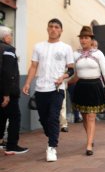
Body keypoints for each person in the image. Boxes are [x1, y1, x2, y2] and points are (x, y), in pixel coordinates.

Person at [22, 18, 74, 162]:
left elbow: (71, 70)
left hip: (57, 89)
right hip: (40, 89)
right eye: (51, 26)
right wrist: (27, 83)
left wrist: (63, 77)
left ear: (61, 30)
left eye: (57, 27)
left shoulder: (66, 48)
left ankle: (52, 147)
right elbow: (33, 66)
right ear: (47, 29)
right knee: (44, 119)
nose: (53, 29)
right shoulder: (38, 46)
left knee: (53, 117)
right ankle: (51, 134)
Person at [71, 26, 105, 156]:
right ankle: (90, 137)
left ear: (91, 39)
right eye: (82, 38)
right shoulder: (75, 54)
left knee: (91, 117)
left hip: (95, 86)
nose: (83, 40)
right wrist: (65, 81)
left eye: (86, 38)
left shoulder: (98, 54)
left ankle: (89, 145)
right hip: (81, 86)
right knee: (84, 116)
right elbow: (73, 73)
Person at [0, 26, 29, 154]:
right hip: (8, 91)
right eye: (10, 35)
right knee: (15, 117)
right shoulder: (9, 49)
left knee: (2, 116)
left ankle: (1, 141)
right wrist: (6, 94)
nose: (11, 38)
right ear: (6, 37)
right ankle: (12, 145)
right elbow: (7, 72)